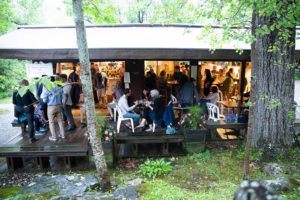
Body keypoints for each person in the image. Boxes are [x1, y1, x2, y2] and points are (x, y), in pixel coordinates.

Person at [13, 79, 38, 143]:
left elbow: (14, 102)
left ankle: (23, 130)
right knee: (30, 123)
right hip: (27, 108)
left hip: (18, 109)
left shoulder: (15, 91)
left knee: (23, 118)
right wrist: (37, 102)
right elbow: (34, 101)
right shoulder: (28, 91)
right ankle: (31, 138)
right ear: (26, 84)